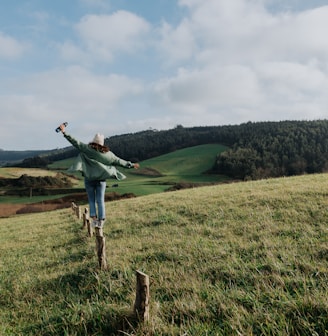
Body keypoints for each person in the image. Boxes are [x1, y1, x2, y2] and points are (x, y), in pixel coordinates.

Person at [58, 123, 140, 228]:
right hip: (101, 180)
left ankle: (94, 219)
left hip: (89, 179)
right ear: (102, 144)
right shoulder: (109, 155)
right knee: (100, 200)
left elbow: (75, 142)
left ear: (93, 142)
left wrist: (64, 132)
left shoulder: (87, 149)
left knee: (91, 200)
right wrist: (132, 165)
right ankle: (101, 220)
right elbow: (120, 161)